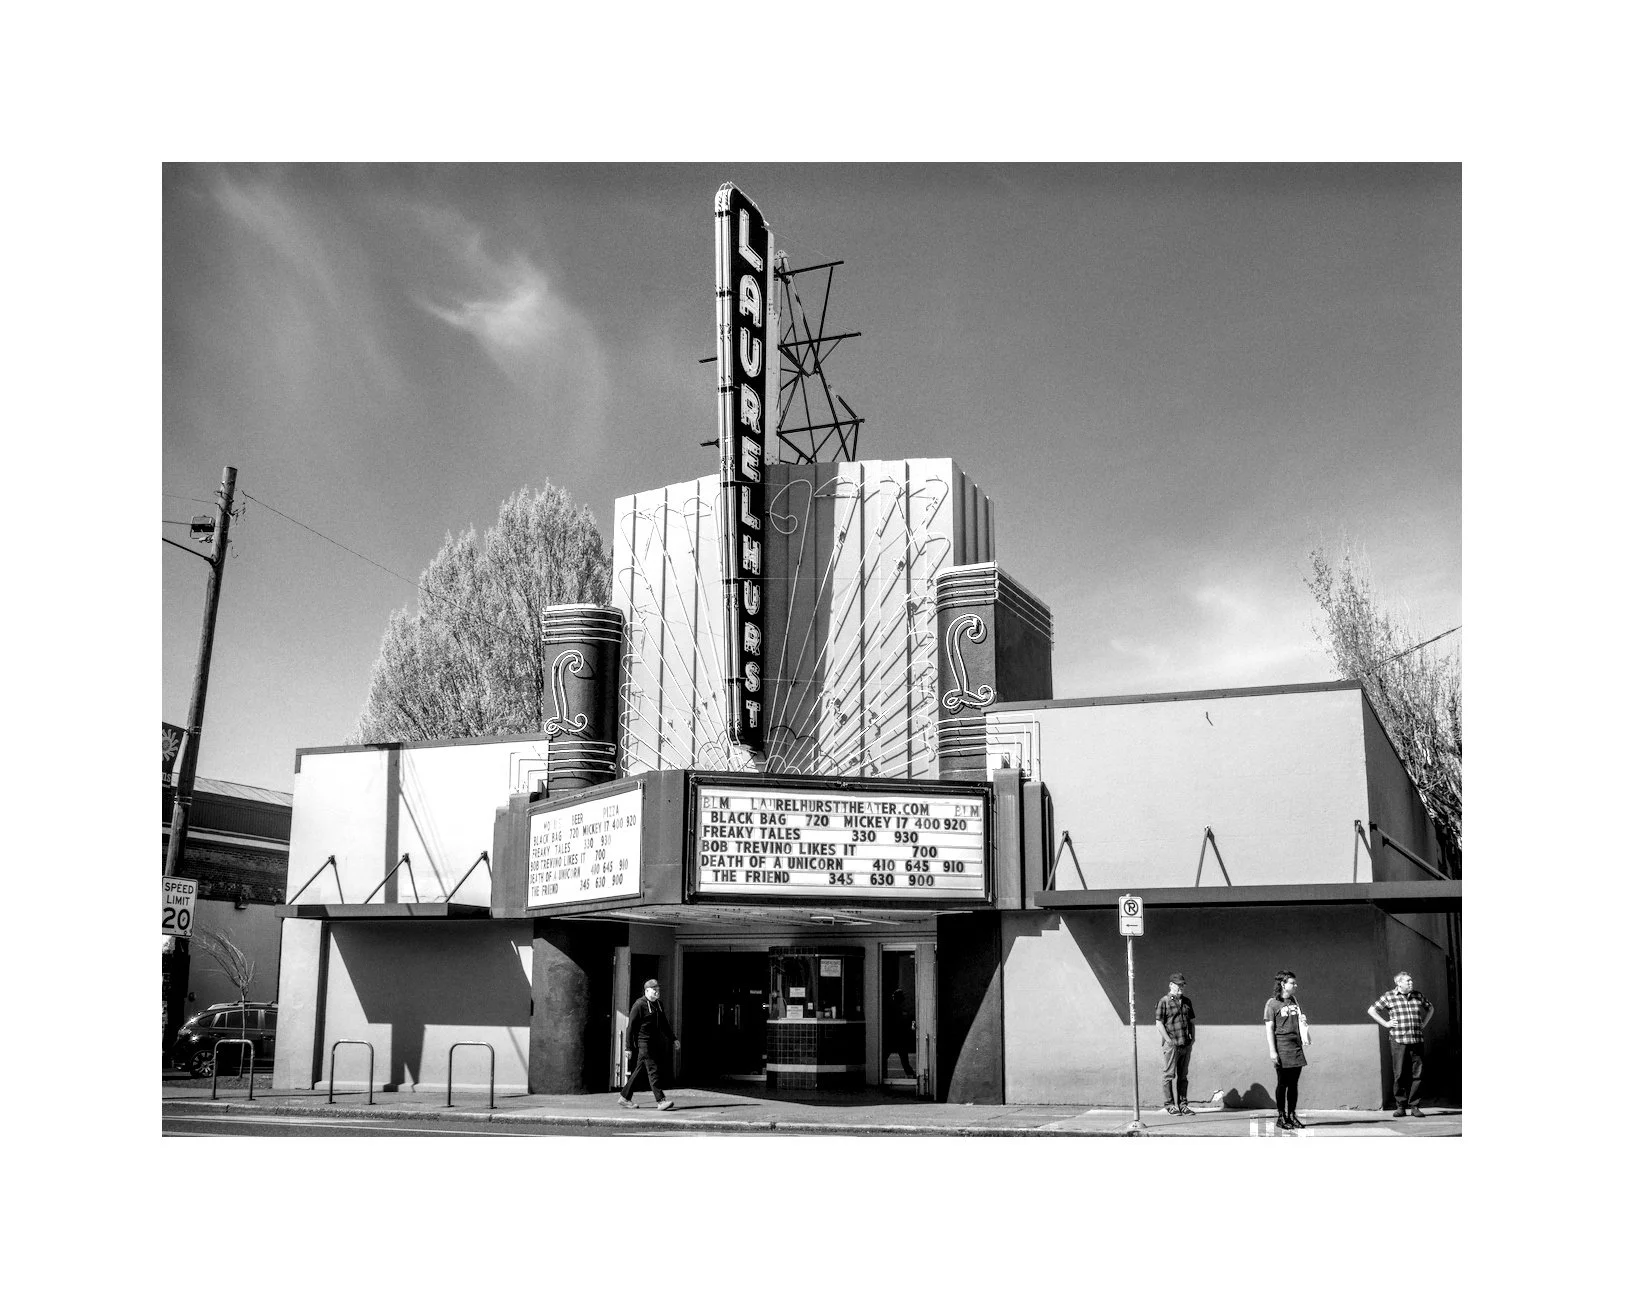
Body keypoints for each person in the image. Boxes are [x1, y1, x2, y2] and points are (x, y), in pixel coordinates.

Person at [1367, 970, 1434, 1117]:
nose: (1411, 983)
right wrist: (1385, 1023)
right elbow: (1372, 1010)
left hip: (1416, 1039)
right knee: (1399, 1074)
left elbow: (1430, 1008)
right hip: (1398, 1040)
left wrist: (1424, 1023)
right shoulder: (1389, 996)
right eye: (1408, 981)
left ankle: (1415, 1106)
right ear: (1399, 983)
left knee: (1417, 1073)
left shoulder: (1417, 995)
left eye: (1411, 980)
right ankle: (1401, 1106)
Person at [619, 978, 680, 1111]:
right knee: (653, 1070)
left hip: (653, 1043)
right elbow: (630, 1028)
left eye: (658, 990)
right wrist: (628, 1047)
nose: (657, 992)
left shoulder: (658, 1004)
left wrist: (673, 1039)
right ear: (647, 991)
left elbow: (664, 1024)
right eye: (654, 990)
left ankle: (624, 1098)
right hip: (644, 1043)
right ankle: (661, 1100)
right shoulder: (639, 1005)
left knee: (639, 1071)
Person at [1264, 970, 1311, 1129]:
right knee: (1282, 1083)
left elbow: (1296, 1020)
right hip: (1282, 1047)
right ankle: (1281, 1116)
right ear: (1283, 984)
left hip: (1296, 1047)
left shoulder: (1294, 1000)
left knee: (1294, 1084)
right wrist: (1273, 1051)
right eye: (1292, 983)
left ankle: (1292, 1115)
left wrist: (1302, 1020)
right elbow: (1269, 1028)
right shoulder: (1272, 1003)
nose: (1295, 985)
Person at [1155, 973, 1196, 1115]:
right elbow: (1159, 1023)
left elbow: (1191, 1022)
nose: (1181, 987)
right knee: (1169, 1075)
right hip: (1172, 1045)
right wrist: (1168, 1040)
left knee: (1183, 1076)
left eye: (1182, 985)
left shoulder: (1187, 1002)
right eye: (1178, 985)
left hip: (1185, 1044)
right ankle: (1170, 1105)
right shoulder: (1164, 1001)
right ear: (1171, 985)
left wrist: (1193, 1039)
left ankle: (1183, 1105)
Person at [884, 986, 916, 1078]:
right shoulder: (901, 1008)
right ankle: (910, 1074)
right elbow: (909, 1020)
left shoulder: (893, 1008)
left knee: (887, 1055)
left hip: (894, 1036)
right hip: (899, 1036)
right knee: (903, 1058)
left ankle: (909, 1073)